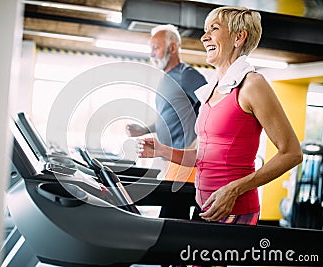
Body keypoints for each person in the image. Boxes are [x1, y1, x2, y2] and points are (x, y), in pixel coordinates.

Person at [138, 6, 303, 225]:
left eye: (213, 29)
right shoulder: (214, 88)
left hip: (234, 210)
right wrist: (162, 150)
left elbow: (292, 153)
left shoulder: (252, 84)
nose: (204, 37)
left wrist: (234, 189)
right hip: (204, 206)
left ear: (239, 37)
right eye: (205, 31)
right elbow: (205, 157)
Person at [126, 24, 207, 219]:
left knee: (171, 215)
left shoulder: (186, 75)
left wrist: (201, 139)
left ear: (172, 48)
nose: (152, 53)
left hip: (186, 161)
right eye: (151, 49)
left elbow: (212, 105)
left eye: (156, 47)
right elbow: (169, 115)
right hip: (171, 159)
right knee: (172, 213)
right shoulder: (166, 79)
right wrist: (144, 129)